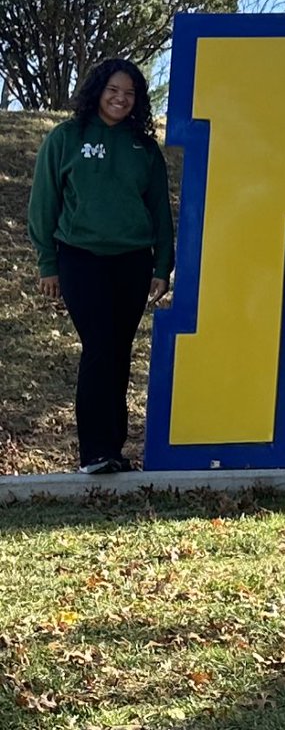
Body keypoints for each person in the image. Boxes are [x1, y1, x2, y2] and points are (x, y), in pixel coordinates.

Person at [27, 59, 174, 475]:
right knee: (99, 345)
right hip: (80, 258)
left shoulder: (143, 149)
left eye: (129, 93)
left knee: (119, 353)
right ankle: (93, 452)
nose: (120, 99)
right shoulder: (66, 138)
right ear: (97, 91)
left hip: (132, 262)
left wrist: (162, 266)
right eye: (113, 90)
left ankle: (114, 450)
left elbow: (160, 211)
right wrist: (47, 264)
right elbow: (43, 203)